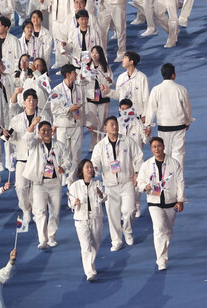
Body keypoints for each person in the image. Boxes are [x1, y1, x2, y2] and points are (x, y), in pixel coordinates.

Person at [91, 116, 143, 251]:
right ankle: (116, 241)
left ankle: (128, 230)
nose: (114, 127)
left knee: (129, 210)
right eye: (111, 125)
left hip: (127, 182)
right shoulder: (100, 146)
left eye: (116, 125)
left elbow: (139, 158)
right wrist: (95, 169)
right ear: (105, 128)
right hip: (109, 185)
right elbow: (94, 163)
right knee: (113, 215)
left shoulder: (128, 141)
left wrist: (137, 173)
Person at [136, 137, 185, 270]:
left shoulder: (174, 163)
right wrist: (145, 187)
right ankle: (161, 260)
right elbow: (139, 183)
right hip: (154, 202)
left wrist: (180, 199)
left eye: (159, 146)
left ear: (163, 147)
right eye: (153, 147)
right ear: (151, 149)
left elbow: (180, 182)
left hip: (171, 202)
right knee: (158, 229)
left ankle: (164, 252)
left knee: (167, 231)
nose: (156, 149)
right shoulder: (146, 165)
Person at [23, 119, 71, 249]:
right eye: (43, 130)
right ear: (39, 132)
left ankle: (51, 236)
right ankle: (42, 239)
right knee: (40, 211)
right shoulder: (35, 144)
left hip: (55, 183)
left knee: (54, 212)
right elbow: (27, 139)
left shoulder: (59, 145)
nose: (45, 132)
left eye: (48, 130)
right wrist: (32, 125)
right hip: (39, 183)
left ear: (52, 131)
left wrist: (63, 168)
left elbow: (68, 160)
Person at [8, 88, 52, 223]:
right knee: (20, 187)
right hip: (22, 157)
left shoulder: (44, 116)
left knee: (37, 186)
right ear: (24, 102)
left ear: (37, 101)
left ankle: (36, 208)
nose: (31, 102)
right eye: (29, 100)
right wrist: (6, 135)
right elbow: (12, 137)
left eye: (34, 100)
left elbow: (49, 134)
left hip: (38, 156)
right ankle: (25, 209)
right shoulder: (16, 119)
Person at [144, 63, 192, 170]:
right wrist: (188, 121)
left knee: (164, 153)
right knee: (178, 154)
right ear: (173, 75)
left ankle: (166, 180)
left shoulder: (156, 89)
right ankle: (178, 181)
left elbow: (151, 108)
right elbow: (187, 107)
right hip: (179, 126)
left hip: (164, 127)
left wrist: (148, 124)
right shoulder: (181, 89)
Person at [68, 159, 106, 282]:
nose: (90, 169)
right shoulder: (75, 186)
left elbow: (103, 198)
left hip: (96, 217)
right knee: (85, 245)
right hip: (81, 218)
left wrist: (100, 194)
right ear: (82, 170)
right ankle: (89, 271)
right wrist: (75, 203)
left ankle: (91, 264)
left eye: (91, 167)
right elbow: (70, 202)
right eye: (87, 167)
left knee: (95, 243)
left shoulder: (98, 183)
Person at [101, 51, 150, 116]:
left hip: (137, 114)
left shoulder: (142, 78)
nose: (122, 60)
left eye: (125, 58)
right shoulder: (121, 77)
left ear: (131, 62)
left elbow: (146, 98)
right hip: (123, 114)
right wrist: (109, 91)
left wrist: (145, 115)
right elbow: (118, 96)